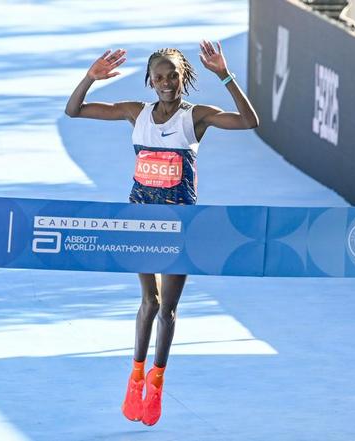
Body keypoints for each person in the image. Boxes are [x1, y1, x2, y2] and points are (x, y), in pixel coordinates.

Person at [64, 40, 259, 426]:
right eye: (159, 77)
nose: (167, 82)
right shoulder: (134, 113)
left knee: (167, 308)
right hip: (140, 221)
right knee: (149, 303)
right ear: (149, 81)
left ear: (183, 77)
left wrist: (225, 74)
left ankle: (156, 381)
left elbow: (249, 121)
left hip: (180, 226)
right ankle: (135, 376)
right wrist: (90, 78)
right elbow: (74, 111)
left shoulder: (196, 116)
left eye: (173, 76)